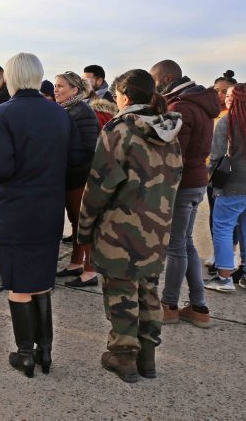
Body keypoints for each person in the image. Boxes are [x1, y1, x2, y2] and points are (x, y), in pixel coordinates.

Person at [0, 53, 82, 378]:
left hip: (14, 211)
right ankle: (45, 351)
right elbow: (77, 161)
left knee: (19, 285)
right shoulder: (59, 114)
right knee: (41, 281)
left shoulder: (0, 115)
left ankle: (26, 355)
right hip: (49, 209)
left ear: (11, 77)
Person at [78, 69, 183, 383]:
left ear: (123, 97)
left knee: (121, 292)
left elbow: (99, 185)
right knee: (148, 290)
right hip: (158, 227)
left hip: (120, 229)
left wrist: (84, 228)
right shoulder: (170, 131)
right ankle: (147, 358)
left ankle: (123, 357)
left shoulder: (120, 130)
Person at [150, 59, 220, 328]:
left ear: (167, 77)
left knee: (176, 246)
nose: (154, 86)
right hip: (198, 181)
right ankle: (199, 306)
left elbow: (173, 155)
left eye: (155, 80)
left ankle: (168, 305)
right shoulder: (200, 102)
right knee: (187, 243)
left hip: (182, 185)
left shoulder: (180, 107)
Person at [53, 72, 100, 287]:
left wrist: (66, 162)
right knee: (75, 222)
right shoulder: (67, 110)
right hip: (69, 176)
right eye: (55, 85)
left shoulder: (83, 111)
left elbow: (88, 148)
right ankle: (75, 262)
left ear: (74, 90)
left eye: (61, 86)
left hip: (80, 176)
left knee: (84, 223)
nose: (56, 89)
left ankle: (90, 270)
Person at [205, 83, 246, 292]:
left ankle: (224, 277)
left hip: (230, 185)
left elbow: (216, 156)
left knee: (223, 228)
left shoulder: (227, 122)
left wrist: (208, 176)